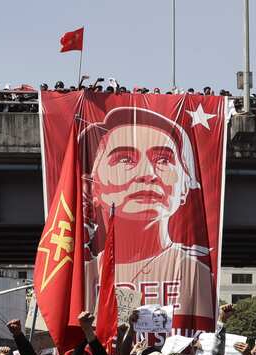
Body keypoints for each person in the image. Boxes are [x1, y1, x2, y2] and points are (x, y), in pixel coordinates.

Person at [80, 106, 215, 325]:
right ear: (92, 186)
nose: (148, 174)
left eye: (163, 160)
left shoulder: (198, 274)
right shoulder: (81, 277)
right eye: (125, 159)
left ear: (184, 188)